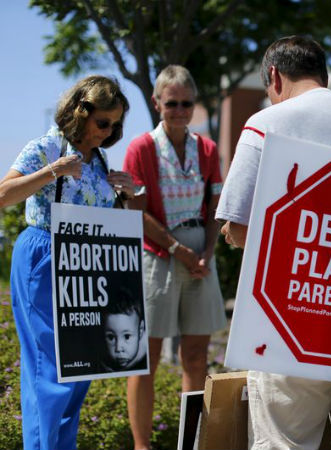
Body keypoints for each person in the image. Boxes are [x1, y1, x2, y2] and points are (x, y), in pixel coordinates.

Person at [217, 36, 331, 450]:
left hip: (296, 317)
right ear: (323, 74)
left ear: (274, 77)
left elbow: (240, 226)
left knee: (285, 440)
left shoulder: (268, 122)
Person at [0, 75, 133, 450]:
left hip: (88, 262)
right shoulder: (45, 146)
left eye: (116, 124)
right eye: (103, 122)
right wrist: (53, 171)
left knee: (80, 368)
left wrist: (127, 192)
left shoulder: (100, 160)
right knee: (48, 370)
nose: (109, 132)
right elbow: (3, 194)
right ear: (80, 112)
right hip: (44, 254)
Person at [123, 64, 226, 450]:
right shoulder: (141, 148)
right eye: (172, 103)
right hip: (158, 255)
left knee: (196, 356)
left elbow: (216, 203)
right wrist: (178, 250)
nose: (180, 110)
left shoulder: (208, 148)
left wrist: (209, 251)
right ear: (156, 103)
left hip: (200, 253)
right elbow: (137, 210)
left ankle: (190, 442)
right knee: (145, 359)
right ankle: (141, 445)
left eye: (187, 103)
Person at [101, 287, 147, 372]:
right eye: (111, 337)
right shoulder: (100, 361)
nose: (118, 348)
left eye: (127, 336)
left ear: (140, 331)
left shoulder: (149, 353)